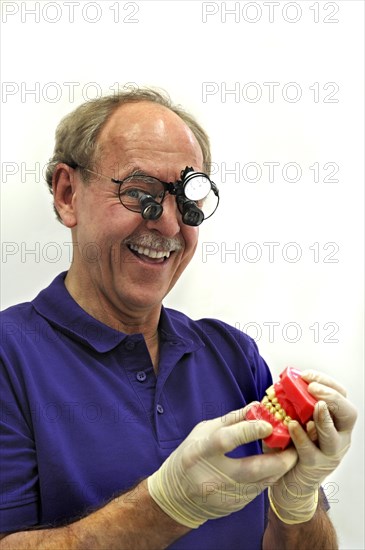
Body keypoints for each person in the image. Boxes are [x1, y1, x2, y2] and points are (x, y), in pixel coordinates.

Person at [0, 88, 357, 549]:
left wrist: (298, 504)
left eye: (187, 201)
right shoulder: (11, 356)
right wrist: (165, 506)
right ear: (68, 194)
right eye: (140, 193)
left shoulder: (234, 358)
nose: (168, 225)